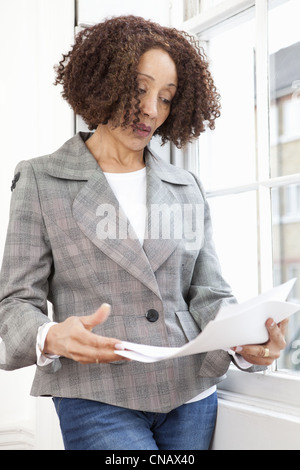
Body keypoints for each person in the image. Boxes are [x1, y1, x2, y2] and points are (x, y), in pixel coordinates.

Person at [0, 15, 287, 450]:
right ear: (103, 82)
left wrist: (247, 342)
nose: (152, 110)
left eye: (166, 98)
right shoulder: (42, 180)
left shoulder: (185, 186)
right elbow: (15, 302)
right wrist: (51, 335)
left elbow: (208, 293)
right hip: (97, 395)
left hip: (190, 393)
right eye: (139, 89)